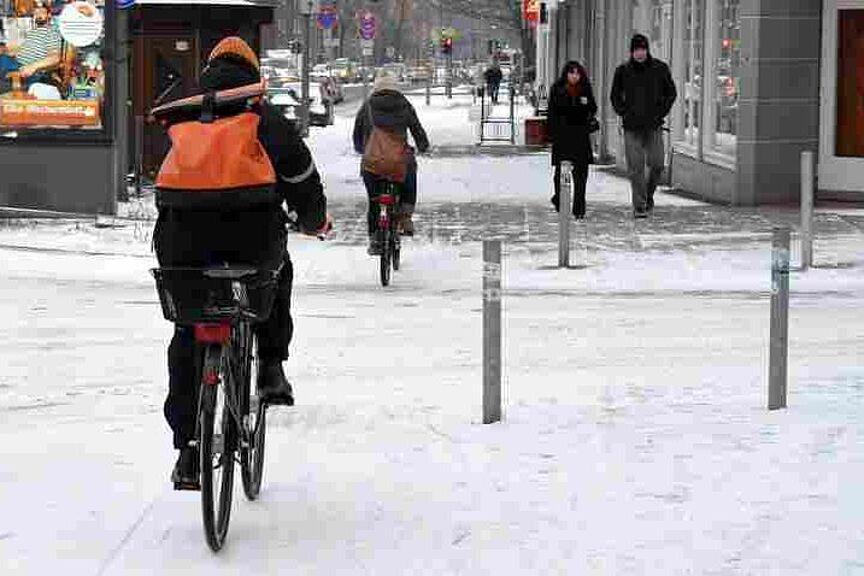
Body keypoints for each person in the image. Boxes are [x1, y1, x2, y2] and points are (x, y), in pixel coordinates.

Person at [152, 37, 331, 489]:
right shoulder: (265, 119)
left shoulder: (185, 112)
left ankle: (189, 451)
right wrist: (315, 221)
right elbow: (301, 179)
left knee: (188, 331)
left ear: (208, 71)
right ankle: (271, 367)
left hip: (183, 244)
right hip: (251, 240)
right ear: (254, 76)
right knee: (274, 277)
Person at [352, 71, 429, 253]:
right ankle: (405, 217)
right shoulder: (403, 104)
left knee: (374, 201)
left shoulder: (368, 106)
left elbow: (356, 134)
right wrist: (423, 145)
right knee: (410, 174)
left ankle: (374, 239)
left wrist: (361, 149)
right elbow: (417, 129)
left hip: (373, 164)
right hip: (399, 162)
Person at [610, 33, 677, 218]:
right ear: (631, 52)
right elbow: (614, 96)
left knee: (657, 163)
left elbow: (671, 93)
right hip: (631, 127)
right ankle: (639, 205)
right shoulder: (623, 71)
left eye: (642, 49)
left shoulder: (659, 69)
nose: (639, 53)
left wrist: (661, 112)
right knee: (636, 166)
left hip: (653, 125)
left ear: (647, 50)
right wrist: (623, 112)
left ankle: (648, 195)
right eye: (636, 50)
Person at [547, 60, 598, 220]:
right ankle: (559, 199)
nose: (575, 76)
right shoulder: (558, 89)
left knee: (581, 173)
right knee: (561, 173)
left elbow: (593, 108)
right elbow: (552, 112)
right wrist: (552, 134)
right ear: (566, 74)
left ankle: (579, 207)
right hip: (563, 137)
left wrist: (586, 106)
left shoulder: (585, 89)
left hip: (581, 136)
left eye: (577, 73)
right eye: (571, 73)